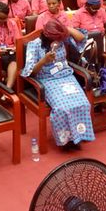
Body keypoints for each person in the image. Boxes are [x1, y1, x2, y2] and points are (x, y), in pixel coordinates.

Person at [21, 20, 93, 149]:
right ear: (47, 36)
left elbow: (81, 38)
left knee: (83, 103)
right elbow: (29, 72)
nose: (60, 41)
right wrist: (43, 61)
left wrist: (65, 29)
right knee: (62, 108)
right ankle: (65, 141)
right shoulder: (35, 45)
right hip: (47, 80)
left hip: (66, 76)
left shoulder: (62, 39)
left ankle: (78, 136)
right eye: (57, 38)